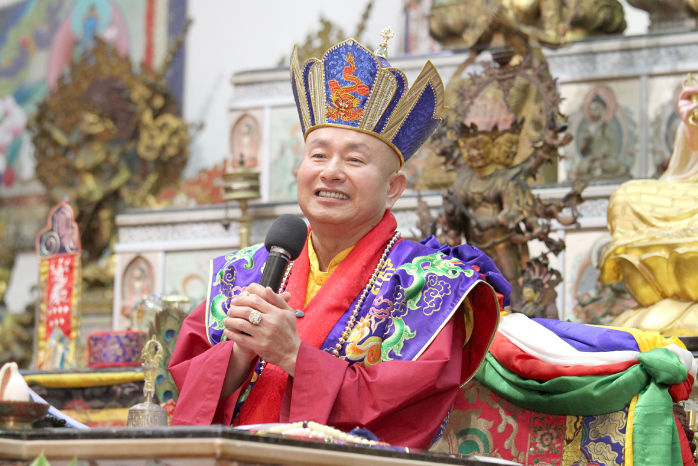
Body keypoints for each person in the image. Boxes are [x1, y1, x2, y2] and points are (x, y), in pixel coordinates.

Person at [168, 35, 508, 450]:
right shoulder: (242, 273)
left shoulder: (430, 286)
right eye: (318, 155)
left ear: (393, 188)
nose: (330, 171)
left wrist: (293, 356)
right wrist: (239, 354)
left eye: (354, 159)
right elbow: (185, 395)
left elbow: (405, 415)